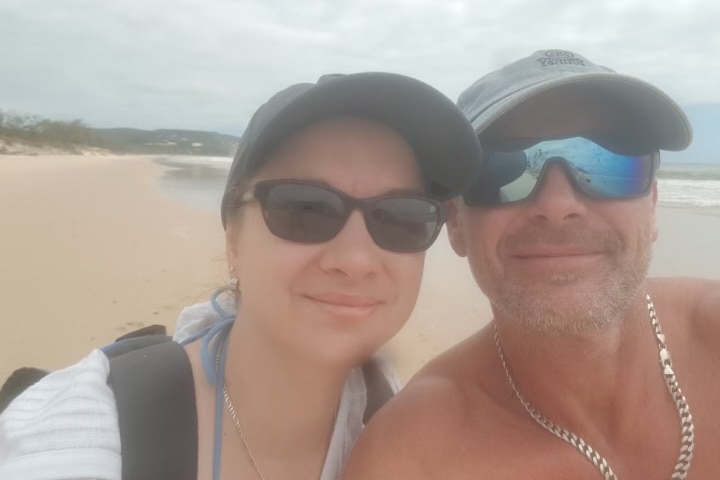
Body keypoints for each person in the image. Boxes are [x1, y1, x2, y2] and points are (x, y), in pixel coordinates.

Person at [0, 72, 483, 480]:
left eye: (402, 217)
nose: (356, 259)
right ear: (233, 239)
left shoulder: (386, 407)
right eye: (306, 209)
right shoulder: (85, 436)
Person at [344, 50, 720, 479]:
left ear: (652, 205)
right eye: (501, 170)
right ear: (456, 224)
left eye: (608, 160)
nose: (558, 206)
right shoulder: (410, 459)